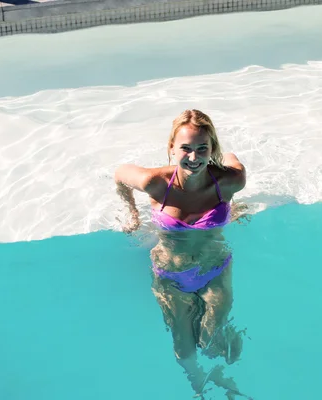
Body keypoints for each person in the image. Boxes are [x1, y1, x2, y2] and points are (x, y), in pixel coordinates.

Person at [114, 109, 250, 398]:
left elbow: (232, 162)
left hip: (215, 270)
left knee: (212, 343)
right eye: (185, 148)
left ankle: (230, 376)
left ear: (213, 149)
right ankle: (199, 386)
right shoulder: (155, 183)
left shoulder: (230, 181)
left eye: (203, 149)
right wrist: (132, 214)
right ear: (171, 149)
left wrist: (233, 209)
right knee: (183, 350)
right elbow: (120, 174)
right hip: (170, 277)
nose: (193, 157)